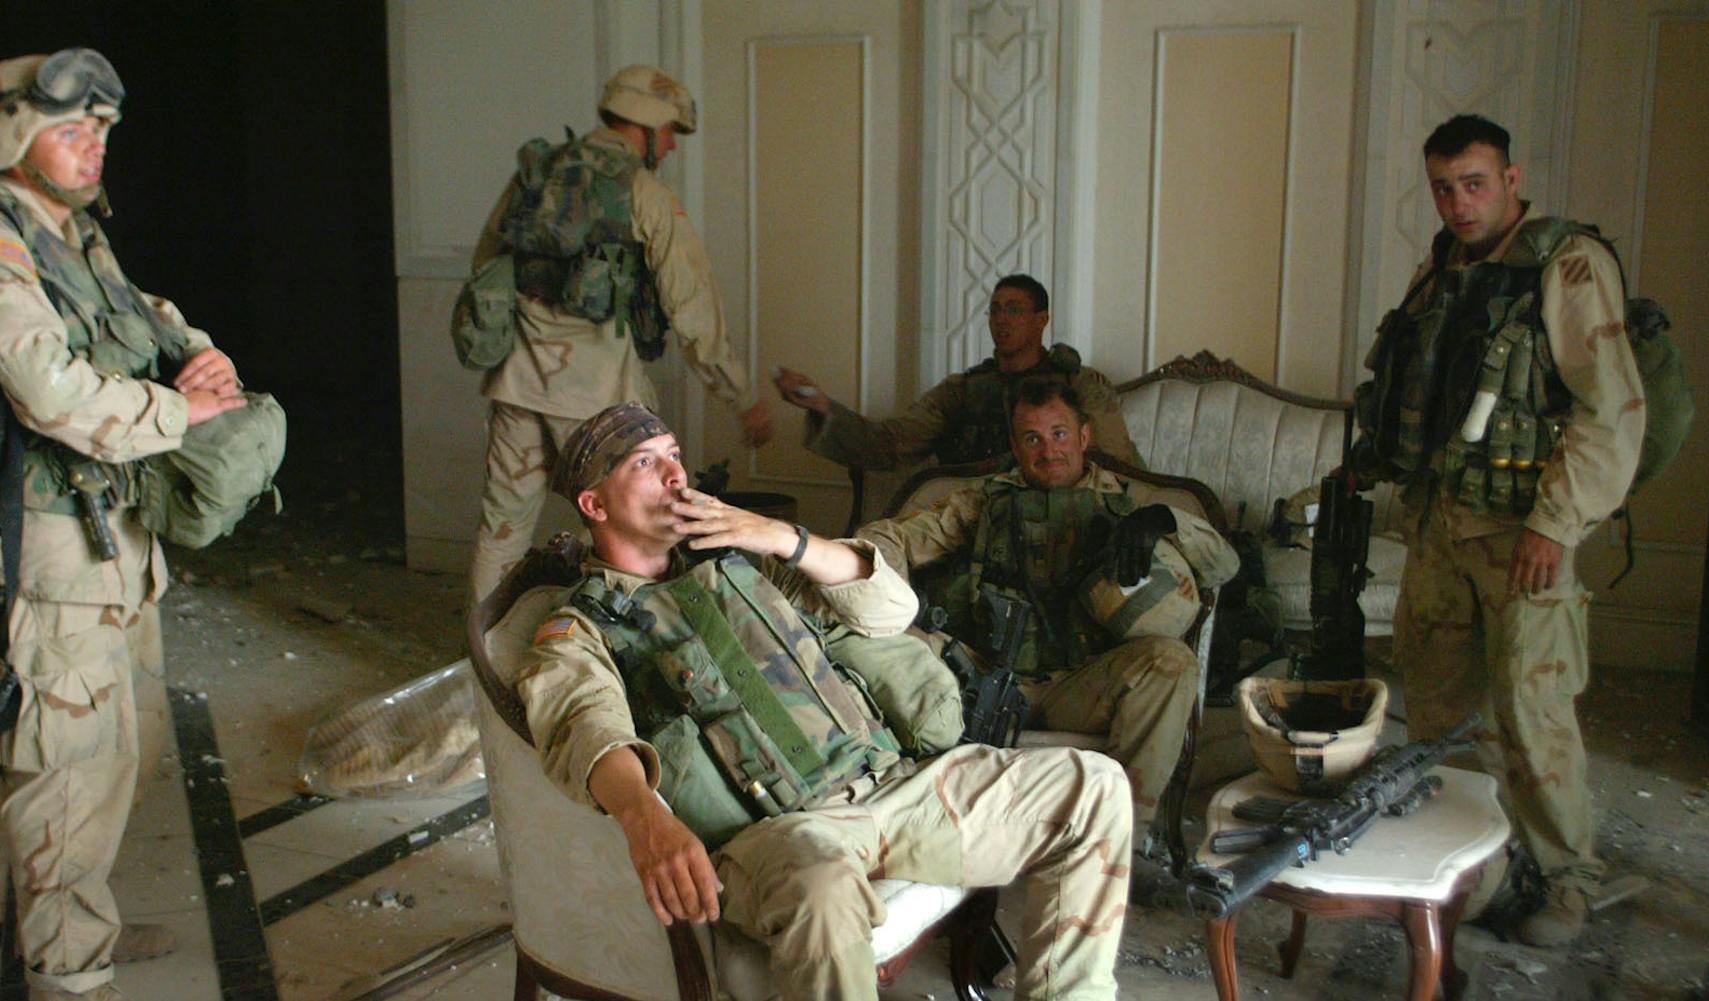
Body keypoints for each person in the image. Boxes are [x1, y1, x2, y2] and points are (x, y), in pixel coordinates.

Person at [515, 402, 1133, 1000]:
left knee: (1096, 786)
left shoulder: (744, 570)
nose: (676, 474)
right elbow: (585, 725)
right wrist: (643, 816)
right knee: (822, 884)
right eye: (645, 463)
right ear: (594, 504)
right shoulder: (581, 628)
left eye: (674, 454)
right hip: (782, 836)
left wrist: (782, 537)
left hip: (897, 787)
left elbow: (894, 609)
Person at [0, 50, 249, 1001]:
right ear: (10, 139)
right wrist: (179, 411)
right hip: (52, 545)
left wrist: (199, 354)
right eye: (72, 130)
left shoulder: (73, 234)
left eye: (101, 130)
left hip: (114, 531)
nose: (94, 146)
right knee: (68, 769)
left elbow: (142, 316)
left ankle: (80, 922)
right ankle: (66, 969)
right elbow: (46, 387)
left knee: (123, 750)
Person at [1352, 114, 1646, 947]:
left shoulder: (1567, 264)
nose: (1458, 203)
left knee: (1531, 707)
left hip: (1523, 531)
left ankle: (1567, 876)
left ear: (1513, 180)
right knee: (1439, 703)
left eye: (1475, 184)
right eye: (1444, 187)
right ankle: (1471, 863)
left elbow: (1611, 411)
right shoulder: (1444, 267)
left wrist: (1556, 523)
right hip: (1440, 523)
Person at [857, 378, 1239, 832]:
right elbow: (888, 538)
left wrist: (1163, 521)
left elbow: (1224, 565)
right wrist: (893, 597)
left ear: (1084, 436)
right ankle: (900, 817)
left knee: (1172, 662)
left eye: (1059, 434)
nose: (1048, 451)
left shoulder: (1126, 504)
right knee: (884, 646)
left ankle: (1124, 833)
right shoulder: (981, 504)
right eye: (1032, 438)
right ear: (1015, 446)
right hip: (981, 677)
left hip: (1082, 684)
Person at [468, 65, 772, 601]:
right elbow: (693, 306)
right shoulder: (643, 192)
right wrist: (741, 397)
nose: (671, 146)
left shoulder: (537, 175)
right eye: (670, 132)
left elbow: (486, 261)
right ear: (647, 125)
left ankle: (483, 646)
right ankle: (632, 642)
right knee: (635, 529)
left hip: (517, 381)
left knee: (503, 529)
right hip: (598, 398)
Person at [772, 273, 1139, 470]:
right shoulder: (961, 390)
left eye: (1014, 310)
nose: (1001, 320)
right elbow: (892, 444)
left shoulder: (1079, 385)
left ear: (1041, 319)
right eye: (995, 310)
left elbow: (1116, 464)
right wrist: (823, 407)